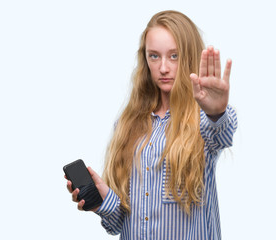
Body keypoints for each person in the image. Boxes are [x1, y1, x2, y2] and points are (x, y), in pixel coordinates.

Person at [66, 10, 238, 239]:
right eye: (154, 56)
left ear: (188, 57)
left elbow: (221, 133)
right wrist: (104, 199)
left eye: (174, 56)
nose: (164, 67)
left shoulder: (202, 120)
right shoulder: (129, 124)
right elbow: (119, 224)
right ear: (145, 59)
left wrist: (216, 111)